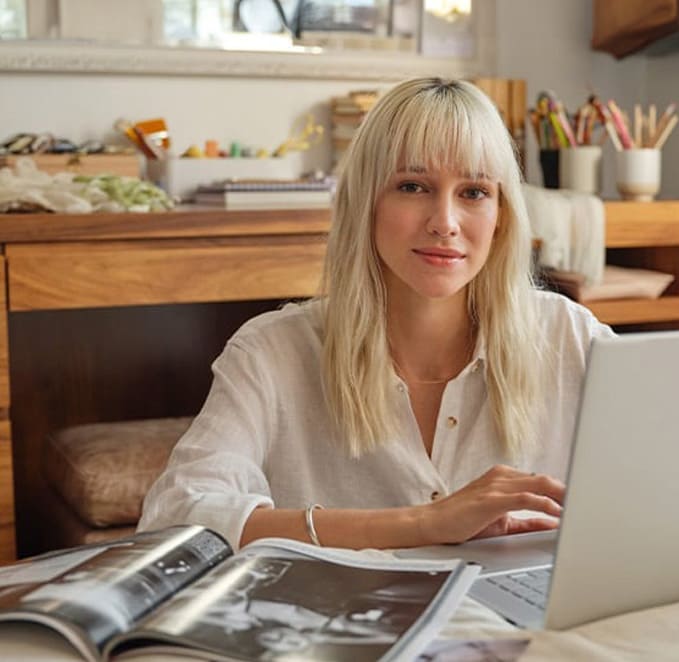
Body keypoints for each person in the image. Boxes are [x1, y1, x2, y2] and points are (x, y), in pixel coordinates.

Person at [138, 77, 615, 551]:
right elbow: (177, 519)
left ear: (501, 216)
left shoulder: (569, 335)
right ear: (364, 203)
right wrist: (423, 524)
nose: (444, 222)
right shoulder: (272, 352)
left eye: (473, 192)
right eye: (413, 185)